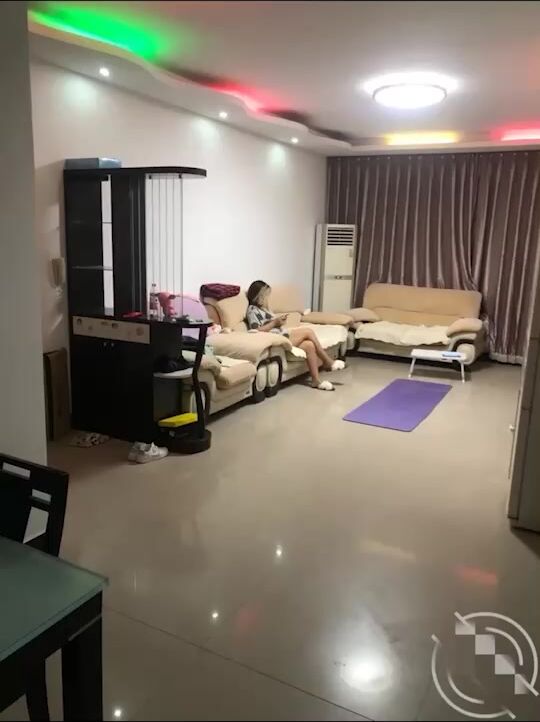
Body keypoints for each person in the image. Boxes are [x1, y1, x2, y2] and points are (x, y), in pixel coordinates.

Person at [245, 280, 345, 391]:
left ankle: (316, 381)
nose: (267, 299)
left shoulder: (265, 309)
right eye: (266, 296)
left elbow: (271, 324)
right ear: (258, 296)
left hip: (282, 335)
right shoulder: (252, 310)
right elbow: (255, 330)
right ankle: (327, 361)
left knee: (309, 345)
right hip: (277, 340)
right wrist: (274, 323)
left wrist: (279, 322)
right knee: (308, 331)